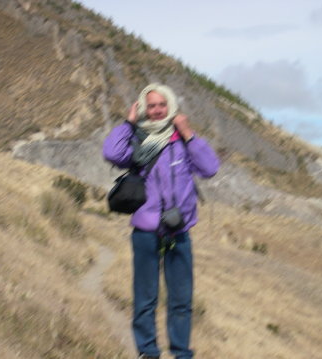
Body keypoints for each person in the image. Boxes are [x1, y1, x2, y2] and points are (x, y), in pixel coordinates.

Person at [103, 83, 219, 359]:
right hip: (146, 232)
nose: (156, 111)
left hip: (179, 232)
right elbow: (111, 153)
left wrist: (188, 133)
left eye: (161, 105)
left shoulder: (182, 141)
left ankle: (181, 352)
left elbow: (210, 168)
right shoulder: (138, 140)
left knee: (181, 300)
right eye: (151, 106)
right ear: (145, 108)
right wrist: (129, 123)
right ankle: (148, 352)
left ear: (171, 107)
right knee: (145, 298)